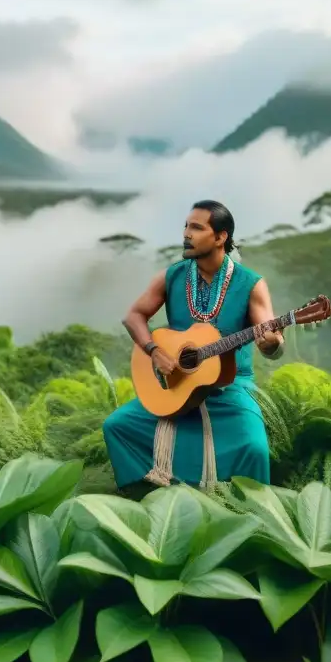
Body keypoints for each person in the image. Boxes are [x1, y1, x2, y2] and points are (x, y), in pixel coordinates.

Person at [103, 200, 281, 492]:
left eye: (197, 228)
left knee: (254, 448)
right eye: (186, 226)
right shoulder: (171, 275)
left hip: (230, 388)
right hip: (176, 383)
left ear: (220, 237)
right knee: (117, 427)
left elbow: (272, 342)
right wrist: (154, 351)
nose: (186, 233)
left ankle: (248, 519)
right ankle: (150, 498)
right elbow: (133, 316)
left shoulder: (250, 283)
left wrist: (271, 343)